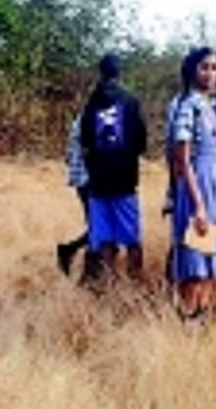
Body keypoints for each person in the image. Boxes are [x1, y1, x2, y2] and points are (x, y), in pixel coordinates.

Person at [170, 47, 216, 321]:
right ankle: (188, 319)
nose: (211, 73)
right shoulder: (187, 106)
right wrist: (198, 204)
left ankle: (203, 318)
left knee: (213, 259)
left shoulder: (210, 106)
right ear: (191, 71)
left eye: (214, 67)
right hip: (199, 186)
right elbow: (182, 159)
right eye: (204, 67)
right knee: (196, 260)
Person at [79, 53, 147, 280]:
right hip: (124, 180)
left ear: (100, 71)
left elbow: (85, 140)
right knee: (132, 240)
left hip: (98, 182)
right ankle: (135, 286)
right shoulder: (131, 101)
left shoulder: (91, 102)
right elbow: (141, 142)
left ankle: (110, 288)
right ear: (120, 71)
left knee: (105, 241)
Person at [55, 111, 91, 277]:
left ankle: (71, 253)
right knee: (100, 229)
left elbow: (68, 156)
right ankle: (69, 251)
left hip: (81, 180)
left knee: (98, 227)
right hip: (90, 181)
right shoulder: (91, 119)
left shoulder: (81, 118)